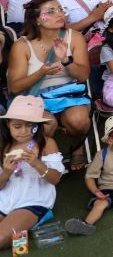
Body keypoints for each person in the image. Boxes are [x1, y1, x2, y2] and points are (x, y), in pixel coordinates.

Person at [7, 0, 92, 168]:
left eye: (60, 9)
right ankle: (47, 158)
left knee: (79, 120)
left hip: (68, 92)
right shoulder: (22, 45)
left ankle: (77, 146)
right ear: (37, 19)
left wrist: (66, 60)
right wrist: (40, 73)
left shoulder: (74, 37)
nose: (59, 14)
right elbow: (15, 86)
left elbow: (83, 76)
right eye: (51, 12)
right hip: (34, 96)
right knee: (46, 125)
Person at [0, 96, 65, 249]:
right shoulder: (4, 146)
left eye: (30, 126)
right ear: (8, 125)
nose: (24, 131)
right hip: (4, 200)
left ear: (38, 125)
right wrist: (7, 173)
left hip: (33, 201)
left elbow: (55, 179)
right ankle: (21, 225)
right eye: (17, 126)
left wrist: (36, 163)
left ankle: (33, 219)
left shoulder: (46, 143)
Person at [65, 111, 113, 237]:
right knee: (99, 203)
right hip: (110, 188)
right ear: (110, 140)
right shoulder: (102, 155)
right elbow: (89, 176)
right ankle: (86, 224)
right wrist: (96, 191)